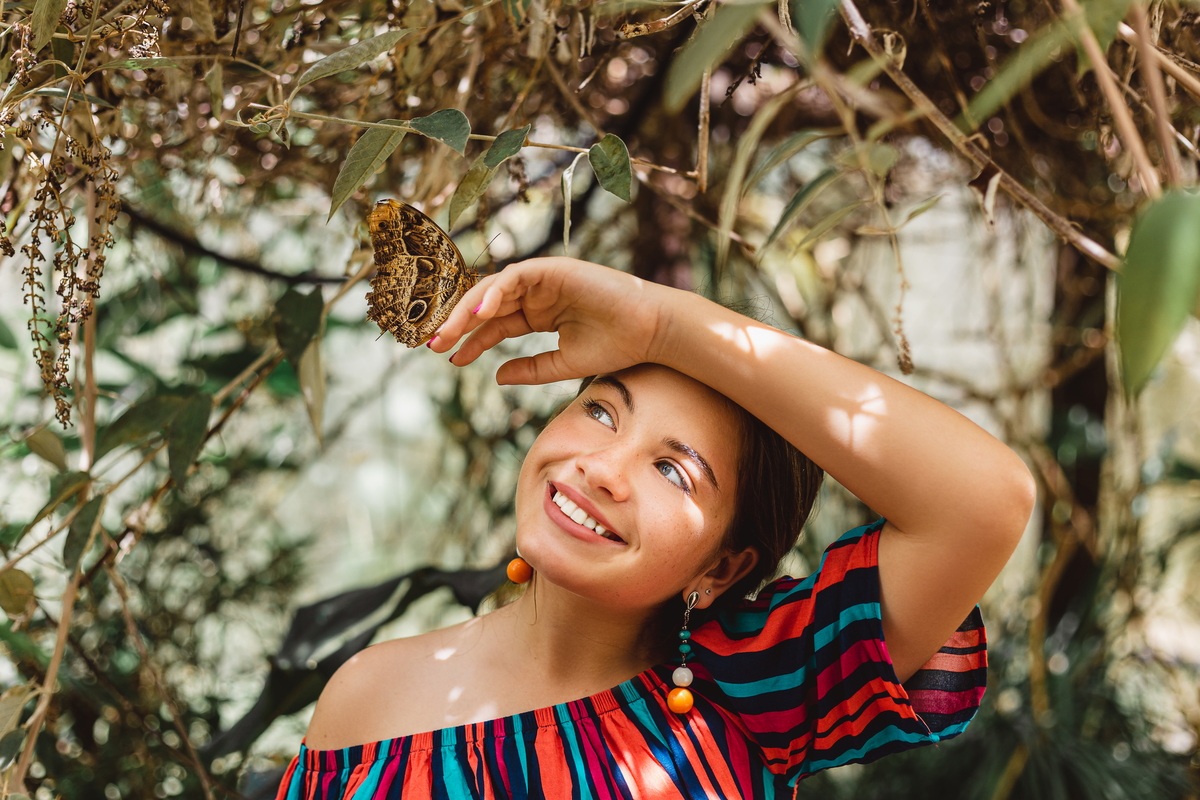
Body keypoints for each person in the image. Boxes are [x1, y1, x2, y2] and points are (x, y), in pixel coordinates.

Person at [275, 258, 1035, 799]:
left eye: (674, 470)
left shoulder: (754, 693)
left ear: (723, 567)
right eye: (601, 412)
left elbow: (985, 500)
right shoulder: (367, 693)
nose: (603, 468)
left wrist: (661, 322)